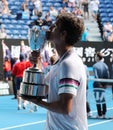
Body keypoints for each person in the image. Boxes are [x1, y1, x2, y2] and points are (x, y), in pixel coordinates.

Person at [22, 13, 88, 130]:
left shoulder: (69, 64)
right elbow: (44, 88)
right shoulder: (61, 62)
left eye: (55, 26)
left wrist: (36, 101)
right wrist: (38, 61)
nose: (50, 28)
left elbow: (64, 108)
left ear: (63, 35)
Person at [93, 52, 110, 118]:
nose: (95, 58)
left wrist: (99, 84)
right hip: (103, 84)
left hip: (97, 84)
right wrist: (105, 84)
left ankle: (99, 114)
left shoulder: (95, 65)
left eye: (95, 56)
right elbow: (107, 75)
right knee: (103, 98)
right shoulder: (105, 65)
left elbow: (96, 76)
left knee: (97, 99)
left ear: (97, 57)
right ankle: (104, 114)